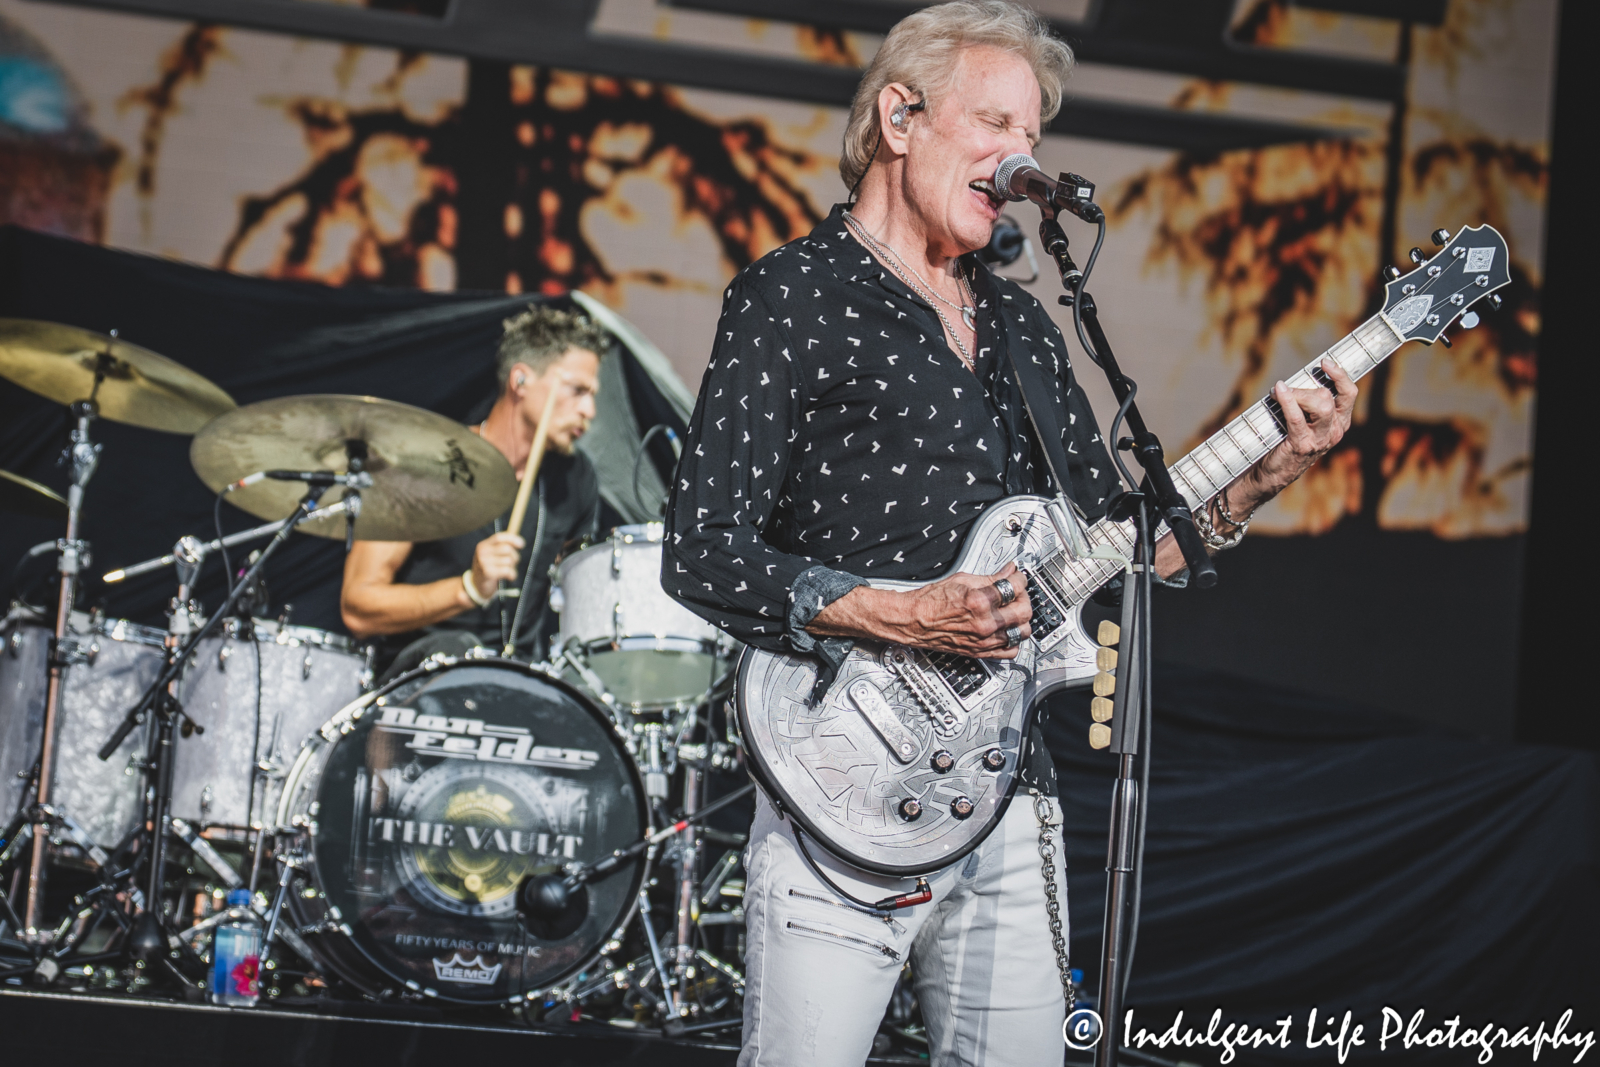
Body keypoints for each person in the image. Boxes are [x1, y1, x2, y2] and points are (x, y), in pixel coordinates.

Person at [661, 2, 1357, 1064]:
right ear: (900, 119)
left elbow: (1117, 554)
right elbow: (702, 546)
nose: (1020, 158)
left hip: (1004, 797)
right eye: (995, 125)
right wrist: (904, 613)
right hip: (841, 785)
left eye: (1031, 135)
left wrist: (1258, 480)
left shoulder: (1024, 326)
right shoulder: (791, 294)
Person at [342, 305, 608, 678]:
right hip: (420, 680)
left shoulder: (575, 478)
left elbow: (579, 596)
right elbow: (358, 607)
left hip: (518, 681)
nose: (589, 410)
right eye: (577, 390)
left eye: (592, 394)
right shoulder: (426, 463)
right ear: (520, 380)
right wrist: (467, 588)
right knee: (456, 648)